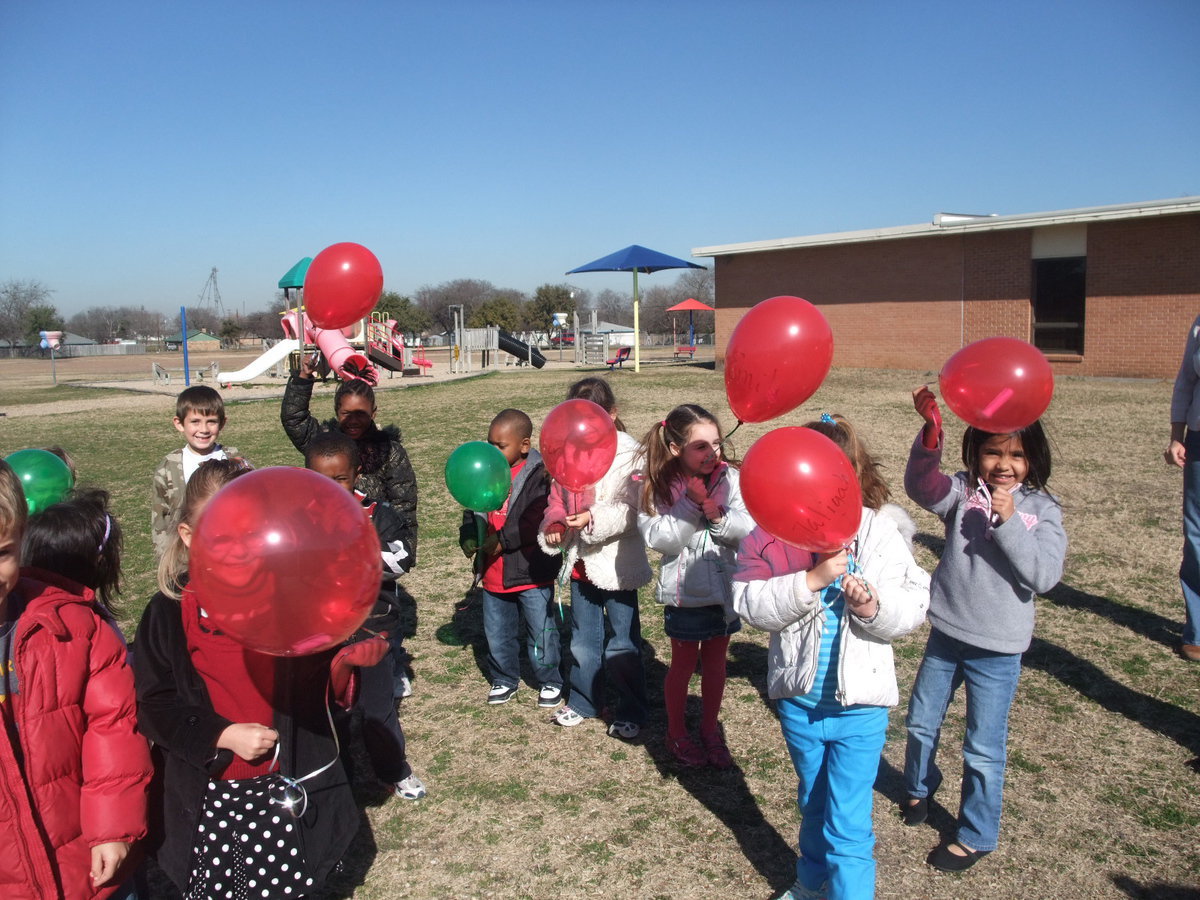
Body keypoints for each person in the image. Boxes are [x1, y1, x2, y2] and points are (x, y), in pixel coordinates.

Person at [134, 459, 377, 898]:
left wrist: (343, 668)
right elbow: (154, 703)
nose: (240, 548)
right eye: (222, 536)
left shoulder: (290, 596)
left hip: (286, 784)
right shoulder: (169, 612)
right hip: (211, 792)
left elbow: (315, 695)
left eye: (251, 532)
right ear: (189, 537)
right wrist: (220, 735)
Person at [733, 414, 930, 900]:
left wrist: (871, 607)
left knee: (848, 821)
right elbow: (747, 601)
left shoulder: (878, 532)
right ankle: (811, 882)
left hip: (860, 708)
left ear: (848, 476)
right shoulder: (768, 534)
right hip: (799, 704)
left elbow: (913, 604)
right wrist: (810, 581)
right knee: (813, 802)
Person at [901, 387, 1066, 872]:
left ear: (1034, 458)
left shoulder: (1043, 511)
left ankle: (977, 833)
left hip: (998, 649)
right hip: (947, 633)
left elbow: (1043, 576)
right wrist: (930, 435)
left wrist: (1010, 521)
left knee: (982, 747)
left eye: (1017, 454)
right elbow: (921, 487)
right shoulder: (961, 491)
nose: (1003, 464)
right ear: (975, 453)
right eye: (993, 451)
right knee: (920, 721)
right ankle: (916, 787)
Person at [0, 460, 152, 900]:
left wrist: (112, 826)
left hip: (84, 862)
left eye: (3, 553)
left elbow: (114, 728)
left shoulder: (72, 626)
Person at [305, 432, 426, 800]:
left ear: (356, 474)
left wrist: (354, 558)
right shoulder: (298, 518)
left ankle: (394, 769)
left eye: (340, 478)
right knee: (329, 709)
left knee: (376, 708)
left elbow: (404, 557)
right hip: (323, 635)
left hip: (373, 630)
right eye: (321, 480)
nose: (332, 488)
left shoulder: (378, 514)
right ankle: (335, 774)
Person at [638, 403, 754, 767]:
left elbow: (749, 529)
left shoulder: (730, 479)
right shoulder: (658, 483)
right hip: (686, 594)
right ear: (676, 449)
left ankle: (708, 730)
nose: (712, 453)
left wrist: (720, 517)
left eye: (716, 443)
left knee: (716, 663)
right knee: (684, 664)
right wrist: (691, 503)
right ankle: (677, 732)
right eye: (700, 446)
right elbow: (661, 538)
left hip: (723, 590)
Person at [538, 378, 653, 737]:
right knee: (583, 641)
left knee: (622, 642)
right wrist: (554, 522)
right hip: (579, 564)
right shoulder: (567, 448)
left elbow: (633, 509)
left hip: (618, 565)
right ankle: (585, 700)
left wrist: (592, 519)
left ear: (613, 414)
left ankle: (631, 708)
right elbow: (556, 498)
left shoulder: (631, 454)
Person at [460, 409, 563, 706]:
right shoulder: (484, 471)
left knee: (541, 631)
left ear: (524, 445)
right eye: (489, 443)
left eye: (500, 446)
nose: (492, 451)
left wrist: (501, 542)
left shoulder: (539, 474)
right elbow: (471, 507)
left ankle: (549, 679)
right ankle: (504, 677)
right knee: (497, 632)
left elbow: (532, 521)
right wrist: (468, 533)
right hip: (494, 575)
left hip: (531, 573)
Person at [281, 352, 418, 567]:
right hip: (326, 539)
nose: (353, 420)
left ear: (373, 413)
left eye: (360, 413)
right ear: (337, 412)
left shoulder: (390, 451)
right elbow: (294, 419)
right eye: (346, 413)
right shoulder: (323, 443)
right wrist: (303, 378)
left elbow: (404, 504)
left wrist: (404, 550)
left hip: (374, 539)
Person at [151, 385, 240, 558]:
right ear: (179, 423)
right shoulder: (168, 468)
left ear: (222, 423)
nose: (204, 429)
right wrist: (168, 562)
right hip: (184, 559)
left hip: (229, 554)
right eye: (195, 421)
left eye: (211, 421)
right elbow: (160, 521)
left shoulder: (235, 461)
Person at [1166, 312, 1200, 661]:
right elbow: (1186, 382)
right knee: (1197, 535)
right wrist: (1178, 436)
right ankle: (1198, 630)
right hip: (1199, 439)